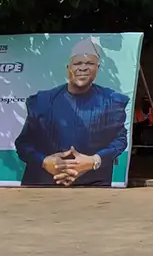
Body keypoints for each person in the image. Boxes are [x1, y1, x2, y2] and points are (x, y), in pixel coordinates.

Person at [15, 37, 130, 186]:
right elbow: (23, 143)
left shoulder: (112, 102)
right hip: (42, 185)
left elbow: (119, 140)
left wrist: (93, 161)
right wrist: (44, 162)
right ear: (68, 68)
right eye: (77, 63)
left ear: (98, 68)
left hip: (93, 186)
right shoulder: (42, 101)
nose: (83, 68)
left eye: (89, 63)